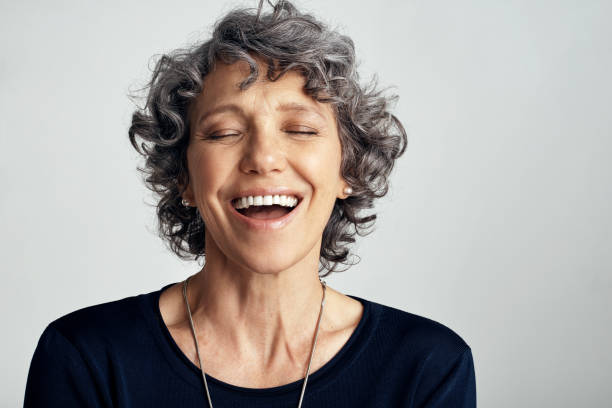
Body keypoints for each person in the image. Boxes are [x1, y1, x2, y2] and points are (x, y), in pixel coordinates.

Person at [24, 1, 476, 406]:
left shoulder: (427, 367)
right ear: (184, 177)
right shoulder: (85, 358)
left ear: (348, 171)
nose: (263, 158)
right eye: (223, 132)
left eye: (300, 129)